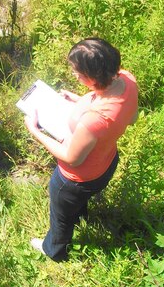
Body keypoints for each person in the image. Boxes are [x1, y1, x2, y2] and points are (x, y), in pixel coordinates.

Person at [24, 38, 138, 261]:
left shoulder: (96, 119)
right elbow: (130, 117)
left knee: (60, 219)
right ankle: (80, 214)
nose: (74, 75)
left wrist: (35, 131)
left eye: (77, 72)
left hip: (75, 180)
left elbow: (72, 157)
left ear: (93, 78)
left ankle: (54, 250)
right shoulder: (126, 79)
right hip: (106, 162)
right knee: (77, 205)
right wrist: (79, 100)